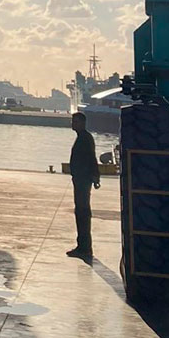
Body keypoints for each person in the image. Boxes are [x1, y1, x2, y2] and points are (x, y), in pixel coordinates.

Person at [67, 111, 101, 259]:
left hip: (83, 180)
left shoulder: (85, 138)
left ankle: (84, 247)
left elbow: (91, 158)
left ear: (81, 123)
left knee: (82, 212)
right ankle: (83, 245)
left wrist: (95, 176)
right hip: (80, 179)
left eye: (75, 121)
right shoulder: (82, 138)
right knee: (81, 211)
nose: (72, 124)